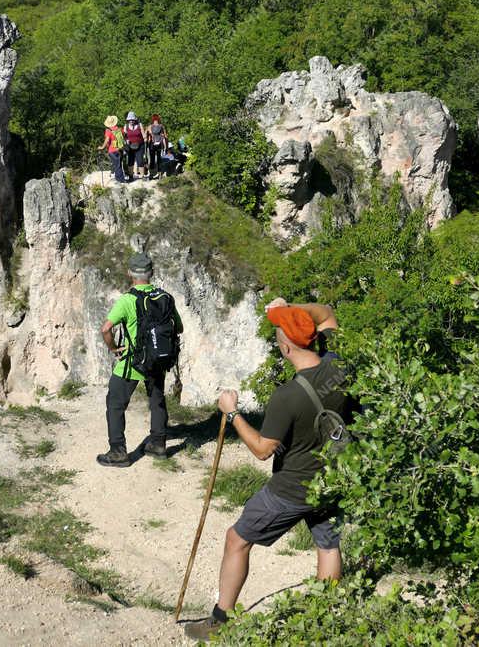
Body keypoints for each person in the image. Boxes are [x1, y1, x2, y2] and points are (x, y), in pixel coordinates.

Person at [184, 301, 357, 641]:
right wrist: (289, 309)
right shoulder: (340, 367)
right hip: (334, 480)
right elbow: (326, 313)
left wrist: (232, 414)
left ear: (285, 347)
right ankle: (324, 619)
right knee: (327, 545)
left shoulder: (287, 397)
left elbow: (263, 450)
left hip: (292, 490)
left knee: (237, 539)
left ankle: (220, 620)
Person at [97, 253, 184, 467]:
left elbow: (106, 328)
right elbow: (179, 328)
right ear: (151, 272)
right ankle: (158, 444)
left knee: (115, 404)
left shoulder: (127, 300)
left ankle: (118, 452)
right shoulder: (165, 297)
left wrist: (114, 348)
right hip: (157, 360)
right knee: (157, 400)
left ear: (130, 273)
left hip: (132, 363)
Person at [98, 115, 125, 183]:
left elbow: (107, 140)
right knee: (118, 164)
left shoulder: (108, 130)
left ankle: (120, 180)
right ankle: (118, 177)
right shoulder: (119, 129)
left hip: (112, 151)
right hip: (120, 149)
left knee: (117, 165)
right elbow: (124, 137)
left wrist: (102, 147)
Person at [122, 111, 147, 181]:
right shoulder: (126, 126)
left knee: (140, 160)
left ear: (135, 119)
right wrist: (125, 140)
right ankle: (130, 176)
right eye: (130, 120)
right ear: (128, 120)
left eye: (132, 119)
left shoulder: (139, 125)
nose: (131, 121)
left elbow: (143, 134)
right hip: (130, 146)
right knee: (130, 161)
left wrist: (145, 139)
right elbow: (124, 136)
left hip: (140, 145)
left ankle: (142, 176)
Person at [146, 114, 169, 179]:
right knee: (157, 159)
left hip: (154, 144)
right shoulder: (160, 126)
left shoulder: (151, 126)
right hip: (157, 143)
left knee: (154, 159)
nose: (156, 121)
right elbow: (165, 136)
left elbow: (147, 134)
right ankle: (157, 173)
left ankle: (153, 174)